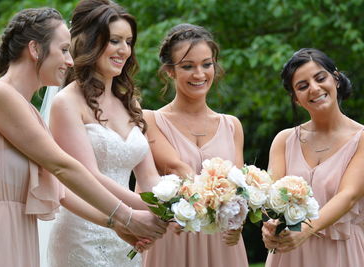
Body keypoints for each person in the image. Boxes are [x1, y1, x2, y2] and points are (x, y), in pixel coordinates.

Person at [0, 7, 166, 267]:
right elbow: (64, 166)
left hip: (17, 231)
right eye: (63, 50)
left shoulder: (29, 112)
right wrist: (129, 216)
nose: (71, 61)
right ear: (36, 49)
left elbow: (60, 192)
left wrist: (115, 224)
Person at [44, 1, 165, 266]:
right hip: (84, 231)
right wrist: (153, 210)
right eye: (115, 41)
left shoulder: (130, 104)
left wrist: (177, 200)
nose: (124, 50)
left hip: (128, 236)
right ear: (90, 43)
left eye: (129, 42)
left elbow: (149, 176)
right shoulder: (67, 103)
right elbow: (90, 175)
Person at [141, 23, 249, 267]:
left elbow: (240, 192)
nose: (199, 74)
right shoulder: (150, 120)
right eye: (188, 66)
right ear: (170, 70)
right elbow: (174, 168)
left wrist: (239, 220)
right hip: (173, 241)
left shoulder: (232, 126)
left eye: (207, 64)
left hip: (223, 244)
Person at [262, 48, 364, 267]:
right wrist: (269, 226)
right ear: (296, 98)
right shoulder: (284, 140)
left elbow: (349, 195)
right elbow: (269, 198)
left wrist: (306, 229)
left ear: (335, 78)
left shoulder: (361, 139)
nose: (314, 89)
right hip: (289, 252)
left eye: (320, 78)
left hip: (341, 253)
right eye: (302, 86)